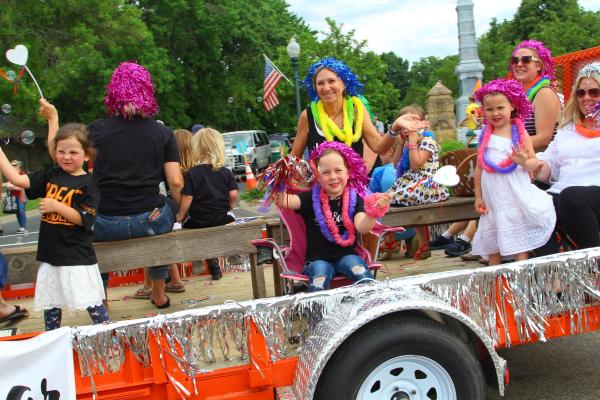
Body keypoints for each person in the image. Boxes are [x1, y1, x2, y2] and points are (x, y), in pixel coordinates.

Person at [87, 62, 183, 309]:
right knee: (166, 210)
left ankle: (102, 301)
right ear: (147, 91)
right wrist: (181, 212)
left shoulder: (96, 130)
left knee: (94, 241)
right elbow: (174, 181)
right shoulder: (162, 132)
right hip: (149, 219)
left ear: (114, 92)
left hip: (105, 221)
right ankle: (159, 294)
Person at [0, 117, 109, 330]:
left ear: (87, 155)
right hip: (51, 256)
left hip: (77, 258)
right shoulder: (51, 174)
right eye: (61, 152)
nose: (66, 157)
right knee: (52, 305)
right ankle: (53, 341)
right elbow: (19, 179)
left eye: (73, 152)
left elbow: (84, 218)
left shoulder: (89, 184)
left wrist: (56, 205)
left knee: (92, 304)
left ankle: (109, 334)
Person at [275, 141, 391, 291]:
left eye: (338, 170)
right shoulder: (310, 198)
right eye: (326, 172)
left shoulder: (355, 199)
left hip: (347, 256)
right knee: (320, 275)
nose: (333, 177)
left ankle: (369, 306)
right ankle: (318, 312)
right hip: (317, 260)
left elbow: (362, 227)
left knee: (358, 269)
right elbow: (283, 201)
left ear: (348, 172)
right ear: (318, 176)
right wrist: (279, 180)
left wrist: (373, 213)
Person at [470, 79, 556, 266]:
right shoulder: (485, 134)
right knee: (493, 243)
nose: (495, 113)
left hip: (514, 195)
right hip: (493, 198)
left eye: (500, 107)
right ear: (483, 111)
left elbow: (534, 163)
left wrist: (524, 161)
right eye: (489, 109)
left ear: (512, 106)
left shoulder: (519, 131)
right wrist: (478, 196)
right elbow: (479, 167)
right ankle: (495, 282)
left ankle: (520, 275)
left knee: (518, 241)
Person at [290, 57, 427, 166]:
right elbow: (294, 160)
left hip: (354, 190)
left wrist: (395, 126)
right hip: (320, 191)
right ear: (315, 88)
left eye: (331, 81)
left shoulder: (357, 109)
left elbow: (380, 148)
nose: (326, 88)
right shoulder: (308, 116)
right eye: (320, 83)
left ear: (343, 84)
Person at [533, 62, 600, 254]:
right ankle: (555, 275)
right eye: (581, 93)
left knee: (571, 197)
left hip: (592, 192)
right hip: (564, 192)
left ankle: (593, 265)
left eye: (594, 92)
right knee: (532, 204)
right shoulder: (567, 128)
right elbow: (549, 165)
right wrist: (533, 165)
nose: (586, 98)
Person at [175, 128, 239, 280]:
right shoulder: (226, 172)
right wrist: (230, 206)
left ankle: (197, 257)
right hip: (221, 217)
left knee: (188, 228)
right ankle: (233, 251)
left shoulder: (192, 173)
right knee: (232, 221)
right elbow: (234, 194)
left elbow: (188, 198)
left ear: (196, 149)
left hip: (198, 219)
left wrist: (181, 214)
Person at [388, 105, 449, 260]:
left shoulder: (428, 142)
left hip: (427, 184)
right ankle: (421, 242)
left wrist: (413, 142)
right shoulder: (408, 143)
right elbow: (395, 164)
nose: (408, 130)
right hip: (413, 183)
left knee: (405, 197)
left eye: (413, 125)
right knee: (392, 196)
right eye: (404, 126)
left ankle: (420, 241)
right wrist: (401, 144)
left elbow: (416, 164)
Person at [509, 40, 561, 151]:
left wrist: (505, 146)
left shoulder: (544, 93)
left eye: (526, 60)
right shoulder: (519, 95)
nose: (519, 64)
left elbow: (543, 139)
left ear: (538, 65)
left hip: (541, 162)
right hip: (522, 159)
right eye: (515, 60)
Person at [5, 160, 28, 233]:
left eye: (14, 165)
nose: (13, 167)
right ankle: (21, 227)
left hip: (21, 195)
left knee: (21, 211)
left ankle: (24, 227)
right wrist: (16, 186)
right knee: (17, 212)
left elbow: (23, 186)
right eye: (11, 165)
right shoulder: (10, 175)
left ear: (19, 166)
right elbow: (8, 186)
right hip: (13, 196)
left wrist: (13, 186)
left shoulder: (22, 174)